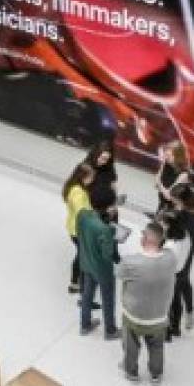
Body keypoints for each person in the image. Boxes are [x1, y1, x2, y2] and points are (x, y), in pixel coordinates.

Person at [117, 221, 178, 386]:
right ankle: (156, 376)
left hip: (134, 317)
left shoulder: (131, 262)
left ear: (144, 239)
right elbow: (168, 248)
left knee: (131, 347)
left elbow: (119, 275)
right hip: (159, 317)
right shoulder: (171, 258)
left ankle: (131, 373)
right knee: (157, 347)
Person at [76, 196, 119, 339]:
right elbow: (107, 254)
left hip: (86, 262)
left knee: (87, 294)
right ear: (106, 207)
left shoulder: (82, 215)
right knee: (108, 299)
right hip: (102, 269)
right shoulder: (105, 229)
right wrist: (111, 233)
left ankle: (85, 324)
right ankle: (110, 330)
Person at [165, 184, 194, 338]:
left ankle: (176, 324)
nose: (173, 202)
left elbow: (179, 228)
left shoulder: (190, 215)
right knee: (184, 280)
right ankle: (189, 311)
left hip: (185, 246)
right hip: (185, 244)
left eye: (175, 200)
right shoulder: (189, 209)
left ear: (183, 200)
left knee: (178, 284)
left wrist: (171, 218)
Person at [62, 162, 95, 293]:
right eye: (90, 177)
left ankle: (76, 282)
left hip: (75, 228)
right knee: (83, 256)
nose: (92, 180)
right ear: (83, 177)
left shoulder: (76, 188)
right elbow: (81, 211)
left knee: (81, 255)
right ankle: (76, 283)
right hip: (79, 231)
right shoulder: (77, 192)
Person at [84, 138, 120, 219]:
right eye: (102, 158)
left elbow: (113, 187)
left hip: (109, 211)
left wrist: (114, 205)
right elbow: (80, 190)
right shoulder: (86, 167)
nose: (103, 161)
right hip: (91, 212)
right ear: (96, 154)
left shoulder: (109, 168)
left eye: (106, 159)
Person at [155, 140, 190, 216]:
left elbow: (168, 195)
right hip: (165, 210)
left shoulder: (183, 174)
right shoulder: (167, 166)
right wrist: (162, 164)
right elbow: (156, 184)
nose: (166, 158)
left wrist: (160, 185)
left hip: (179, 215)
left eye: (169, 156)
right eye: (166, 155)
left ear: (178, 157)